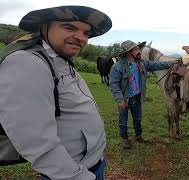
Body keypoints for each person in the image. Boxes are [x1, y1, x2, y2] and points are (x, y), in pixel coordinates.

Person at [0, 6, 112, 180]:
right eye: (69, 28)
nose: (81, 38)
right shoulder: (26, 63)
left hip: (92, 164)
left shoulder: (59, 59)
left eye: (86, 33)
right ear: (44, 27)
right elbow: (36, 143)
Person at [109, 40, 177, 149]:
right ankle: (125, 139)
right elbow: (113, 84)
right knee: (123, 119)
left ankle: (138, 136)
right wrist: (119, 99)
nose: (139, 51)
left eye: (138, 48)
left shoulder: (142, 63)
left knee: (138, 118)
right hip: (124, 99)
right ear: (129, 52)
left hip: (137, 97)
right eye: (136, 49)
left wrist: (170, 63)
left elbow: (156, 65)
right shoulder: (118, 67)